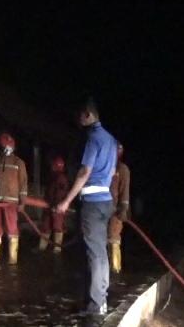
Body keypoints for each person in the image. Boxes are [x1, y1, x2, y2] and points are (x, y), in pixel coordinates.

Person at [53, 99, 117, 316]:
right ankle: (98, 299)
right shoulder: (110, 139)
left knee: (94, 253)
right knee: (98, 251)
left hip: (92, 202)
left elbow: (84, 172)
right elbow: (108, 172)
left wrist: (66, 201)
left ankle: (96, 304)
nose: (78, 120)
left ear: (88, 114)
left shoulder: (92, 139)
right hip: (105, 201)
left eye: (80, 115)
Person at [0, 132, 28, 264]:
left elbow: (23, 184)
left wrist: (22, 202)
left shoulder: (19, 163)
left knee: (12, 230)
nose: (4, 149)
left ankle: (12, 260)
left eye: (5, 146)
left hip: (11, 203)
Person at [39, 155, 70, 253]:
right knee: (46, 226)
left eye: (53, 165)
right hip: (49, 205)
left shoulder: (60, 178)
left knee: (58, 226)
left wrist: (56, 205)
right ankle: (42, 247)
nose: (51, 167)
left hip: (57, 207)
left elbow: (61, 193)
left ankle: (57, 248)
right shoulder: (53, 177)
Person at [108, 142, 130, 273]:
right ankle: (105, 270)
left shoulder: (122, 169)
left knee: (114, 237)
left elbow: (124, 191)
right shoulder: (107, 167)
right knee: (103, 239)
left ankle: (116, 270)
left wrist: (123, 208)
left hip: (116, 211)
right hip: (104, 209)